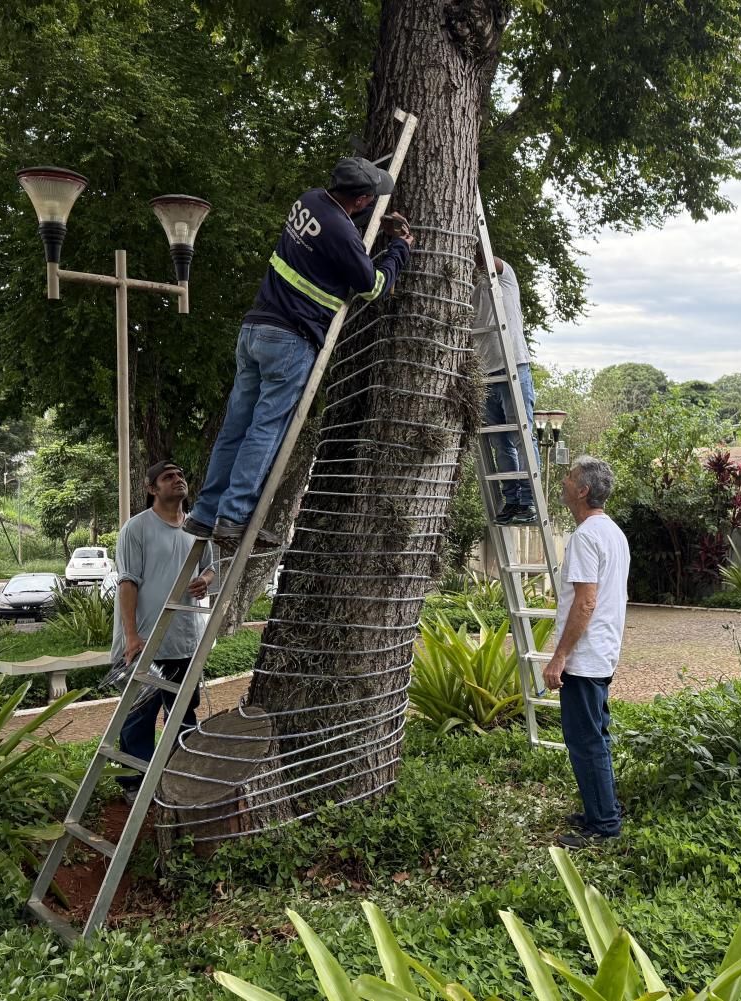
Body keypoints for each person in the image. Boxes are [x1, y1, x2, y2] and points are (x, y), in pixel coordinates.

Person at [186, 157, 416, 546]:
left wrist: (365, 228)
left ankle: (205, 515)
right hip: (291, 340)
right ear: (360, 201)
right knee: (265, 428)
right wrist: (399, 249)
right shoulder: (343, 234)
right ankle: (234, 517)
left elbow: (332, 234)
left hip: (255, 330)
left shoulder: (308, 199)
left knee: (235, 427)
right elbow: (372, 286)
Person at [113, 461, 215, 804]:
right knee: (139, 713)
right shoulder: (137, 528)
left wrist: (205, 582)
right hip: (143, 640)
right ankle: (134, 782)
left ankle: (177, 775)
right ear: (152, 489)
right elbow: (128, 582)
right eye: (168, 477)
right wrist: (131, 637)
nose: (178, 479)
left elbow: (210, 568)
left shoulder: (198, 529)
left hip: (185, 639)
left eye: (181, 474)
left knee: (184, 710)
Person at [542, 456, 631, 847]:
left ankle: (604, 827)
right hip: (603, 651)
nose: (563, 481)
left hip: (585, 657)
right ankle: (602, 807)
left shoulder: (584, 538)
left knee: (585, 741)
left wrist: (559, 656)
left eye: (570, 477)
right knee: (597, 735)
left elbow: (585, 603)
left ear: (582, 490)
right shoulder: (613, 532)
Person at [471, 248, 538, 525]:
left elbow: (488, 259)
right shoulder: (471, 290)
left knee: (522, 436)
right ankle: (512, 501)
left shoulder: (505, 277)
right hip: (486, 375)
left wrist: (475, 244)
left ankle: (529, 501)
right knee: (500, 442)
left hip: (515, 367)